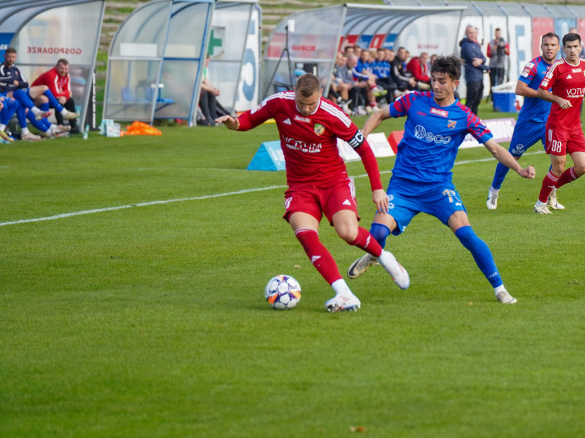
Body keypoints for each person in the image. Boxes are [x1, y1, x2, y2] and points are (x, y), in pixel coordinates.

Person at [346, 56, 535, 304]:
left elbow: (495, 149)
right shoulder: (414, 100)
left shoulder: (464, 116)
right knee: (378, 232)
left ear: (455, 83)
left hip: (438, 189)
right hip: (403, 186)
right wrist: (360, 138)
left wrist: (519, 169)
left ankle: (500, 289)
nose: (436, 86)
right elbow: (380, 114)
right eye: (433, 80)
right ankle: (376, 255)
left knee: (467, 235)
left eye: (442, 81)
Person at [216, 73, 409, 312]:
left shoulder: (333, 114)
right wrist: (234, 123)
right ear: (294, 91)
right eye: (301, 104)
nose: (306, 110)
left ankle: (385, 258)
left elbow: (364, 149)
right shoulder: (279, 102)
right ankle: (344, 293)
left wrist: (377, 187)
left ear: (320, 95)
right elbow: (248, 120)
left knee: (347, 233)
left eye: (311, 104)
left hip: (334, 183)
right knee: (306, 234)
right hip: (300, 186)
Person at [487, 32, 561, 211]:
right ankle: (494, 190)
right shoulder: (534, 65)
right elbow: (519, 89)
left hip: (551, 121)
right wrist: (541, 94)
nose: (549, 48)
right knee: (512, 157)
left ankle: (551, 194)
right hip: (529, 122)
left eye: (552, 45)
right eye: (546, 45)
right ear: (541, 47)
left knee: (558, 159)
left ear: (559, 48)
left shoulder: (560, 67)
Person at [533, 32, 585, 214]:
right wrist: (557, 99)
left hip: (575, 126)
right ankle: (540, 204)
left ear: (580, 47)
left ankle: (553, 188)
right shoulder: (557, 68)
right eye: (568, 47)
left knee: (582, 166)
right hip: (557, 125)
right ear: (563, 49)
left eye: (575, 47)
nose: (572, 50)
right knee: (559, 166)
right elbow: (540, 92)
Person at [30, 58, 81, 133]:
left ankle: (74, 128)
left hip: (50, 97)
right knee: (58, 102)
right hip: (36, 99)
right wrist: (65, 95)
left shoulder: (67, 75)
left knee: (70, 101)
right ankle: (61, 127)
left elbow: (69, 91)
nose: (63, 71)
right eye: (61, 68)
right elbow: (55, 94)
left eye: (66, 69)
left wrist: (65, 97)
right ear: (56, 67)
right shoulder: (51, 75)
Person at [459, 25, 487, 115]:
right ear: (466, 34)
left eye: (474, 33)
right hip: (472, 76)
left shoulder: (476, 45)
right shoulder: (466, 45)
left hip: (479, 76)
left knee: (477, 100)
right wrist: (487, 68)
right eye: (470, 33)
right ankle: (466, 120)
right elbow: (474, 61)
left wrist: (481, 60)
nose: (472, 35)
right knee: (471, 100)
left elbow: (483, 58)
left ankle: (474, 120)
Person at [486, 28, 510, 101]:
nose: (498, 35)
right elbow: (488, 54)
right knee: (492, 82)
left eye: (499, 33)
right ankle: (492, 98)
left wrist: (503, 47)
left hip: (501, 65)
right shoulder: (491, 43)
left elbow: (508, 53)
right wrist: (494, 48)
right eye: (497, 33)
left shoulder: (505, 42)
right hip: (492, 65)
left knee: (501, 82)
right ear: (495, 34)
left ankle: (500, 98)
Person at [197, 56, 222, 125]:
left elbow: (206, 81)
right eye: (206, 62)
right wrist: (212, 90)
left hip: (200, 90)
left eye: (208, 62)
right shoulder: (195, 68)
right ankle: (207, 117)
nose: (207, 63)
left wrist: (214, 90)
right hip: (192, 92)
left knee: (211, 93)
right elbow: (198, 84)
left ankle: (213, 117)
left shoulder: (205, 69)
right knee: (203, 92)